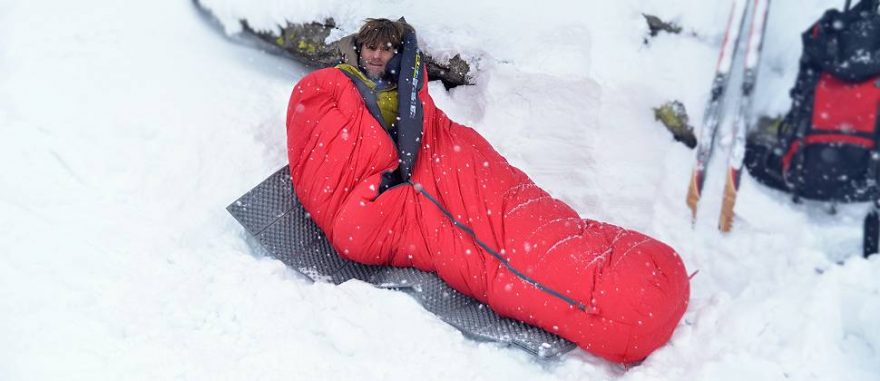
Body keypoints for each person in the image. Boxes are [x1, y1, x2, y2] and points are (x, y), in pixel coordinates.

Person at [285, 18, 689, 363]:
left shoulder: (406, 91)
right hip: (399, 192)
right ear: (357, 50)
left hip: (444, 154)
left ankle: (612, 282)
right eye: (369, 49)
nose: (376, 57)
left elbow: (427, 122)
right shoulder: (332, 91)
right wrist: (383, 181)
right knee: (496, 248)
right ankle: (607, 293)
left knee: (523, 213)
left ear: (398, 55)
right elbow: (348, 207)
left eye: (387, 50)